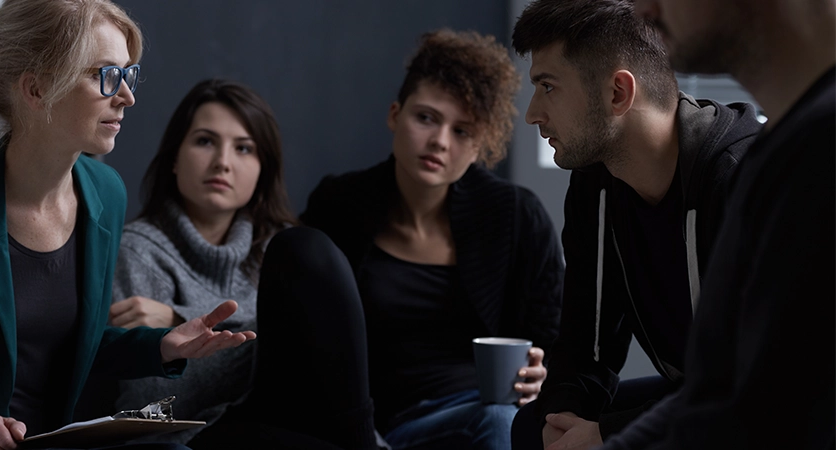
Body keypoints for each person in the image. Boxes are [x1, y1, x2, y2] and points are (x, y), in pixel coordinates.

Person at [0, 1, 254, 449]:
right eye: (105, 76)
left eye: (128, 75)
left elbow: (65, 346)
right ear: (36, 90)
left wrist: (162, 346)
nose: (127, 96)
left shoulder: (106, 193)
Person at [506, 1, 763, 448]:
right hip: (693, 396)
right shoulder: (594, 183)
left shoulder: (740, 175)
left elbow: (758, 375)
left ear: (618, 93)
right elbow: (583, 347)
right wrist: (563, 417)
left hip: (757, 402)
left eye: (547, 86)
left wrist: (606, 433)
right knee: (534, 430)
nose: (532, 114)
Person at [300, 29, 565, 450]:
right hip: (381, 423)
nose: (440, 141)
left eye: (462, 132)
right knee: (499, 423)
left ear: (480, 146)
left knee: (501, 420)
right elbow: (303, 330)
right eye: (426, 118)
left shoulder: (515, 215)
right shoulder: (340, 205)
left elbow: (553, 335)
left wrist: (542, 368)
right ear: (394, 114)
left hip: (489, 408)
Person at [595, 1, 834, 448]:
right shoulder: (774, 152)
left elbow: (772, 417)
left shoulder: (818, 152)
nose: (644, 9)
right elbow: (720, 385)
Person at [97, 78, 297, 445]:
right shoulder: (139, 251)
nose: (222, 162)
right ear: (174, 158)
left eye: (244, 148)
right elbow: (150, 407)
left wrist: (179, 319)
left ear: (263, 169)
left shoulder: (285, 251)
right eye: (205, 141)